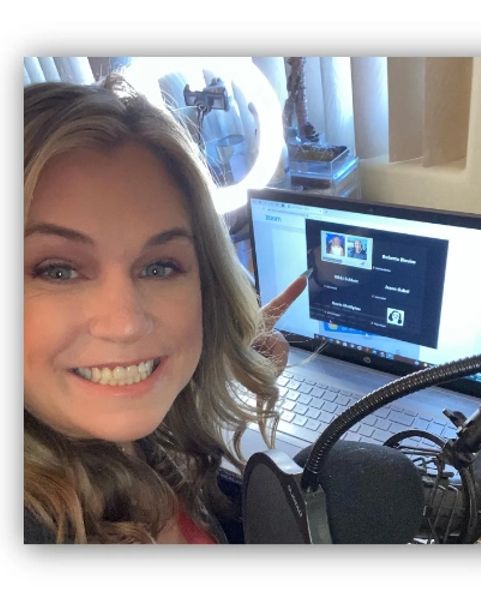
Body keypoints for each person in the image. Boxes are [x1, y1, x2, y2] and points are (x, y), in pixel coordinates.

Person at [23, 75, 307, 544]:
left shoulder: (142, 439)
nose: (127, 322)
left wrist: (233, 353)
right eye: (57, 270)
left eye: (159, 266)